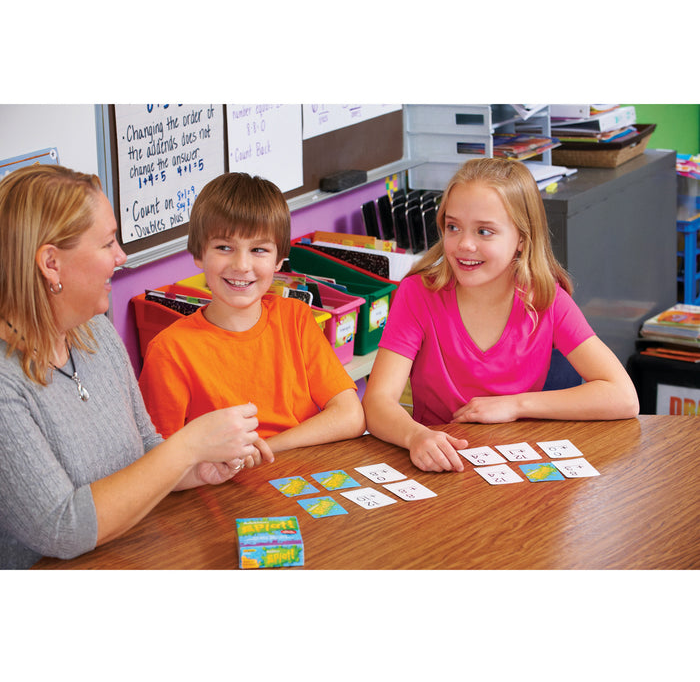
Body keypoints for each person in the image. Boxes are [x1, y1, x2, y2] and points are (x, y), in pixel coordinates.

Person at [0, 165, 274, 569]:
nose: (121, 257)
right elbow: (62, 527)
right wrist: (188, 446)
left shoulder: (94, 331)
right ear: (51, 263)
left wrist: (198, 468)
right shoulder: (7, 385)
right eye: (107, 243)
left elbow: (144, 450)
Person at [362, 157, 639, 473]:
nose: (465, 244)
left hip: (517, 465)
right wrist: (415, 436)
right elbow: (377, 402)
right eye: (453, 227)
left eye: (484, 231)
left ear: (521, 238)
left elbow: (623, 396)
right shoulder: (417, 294)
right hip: (440, 467)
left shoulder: (547, 301)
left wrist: (516, 405)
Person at [138, 172, 365, 452]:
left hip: (297, 470)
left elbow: (350, 416)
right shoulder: (169, 351)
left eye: (258, 249)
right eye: (224, 247)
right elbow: (159, 460)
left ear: (279, 260)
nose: (242, 265)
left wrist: (265, 449)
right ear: (198, 254)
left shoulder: (295, 319)